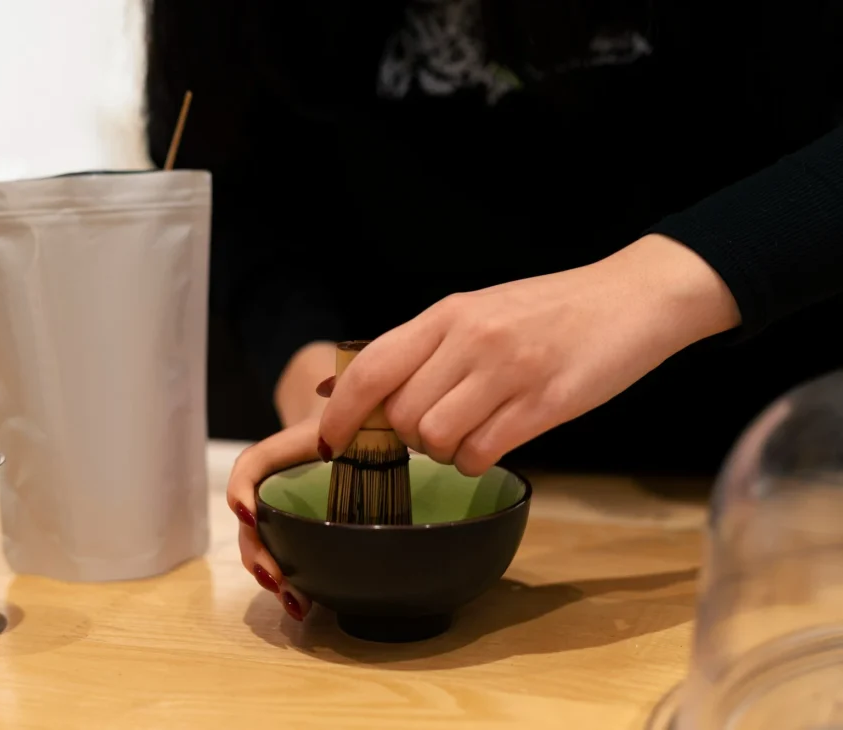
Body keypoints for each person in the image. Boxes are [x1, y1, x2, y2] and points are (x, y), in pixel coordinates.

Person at [146, 1, 843, 621]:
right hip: (418, 439)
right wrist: (319, 395)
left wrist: (651, 286)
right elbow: (232, 179)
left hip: (765, 489)